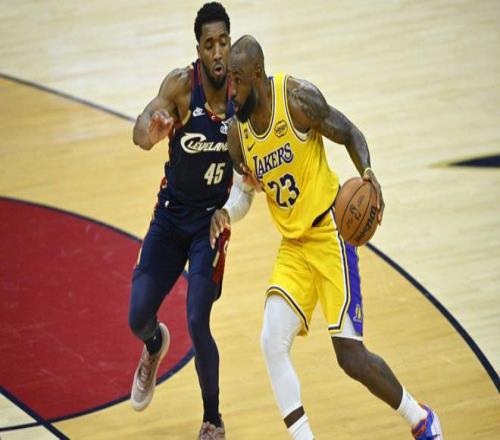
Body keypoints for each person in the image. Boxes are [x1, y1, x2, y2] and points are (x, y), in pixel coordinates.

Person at [210, 35, 443, 440]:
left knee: (350, 357)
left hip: (330, 234)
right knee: (271, 341)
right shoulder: (237, 134)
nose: (230, 89)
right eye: (228, 80)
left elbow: (350, 132)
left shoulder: (297, 99)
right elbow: (245, 192)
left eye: (237, 80)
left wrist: (368, 173)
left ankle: (421, 419)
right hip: (294, 247)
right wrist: (226, 212)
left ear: (257, 75)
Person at [128, 3, 234, 439]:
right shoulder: (180, 86)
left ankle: (213, 419)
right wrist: (150, 131)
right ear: (199, 49)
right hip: (171, 218)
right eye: (209, 44)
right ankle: (154, 345)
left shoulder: (243, 95)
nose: (217, 52)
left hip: (209, 227)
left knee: (196, 320)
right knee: (137, 316)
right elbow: (140, 130)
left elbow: (258, 154)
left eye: (223, 42)